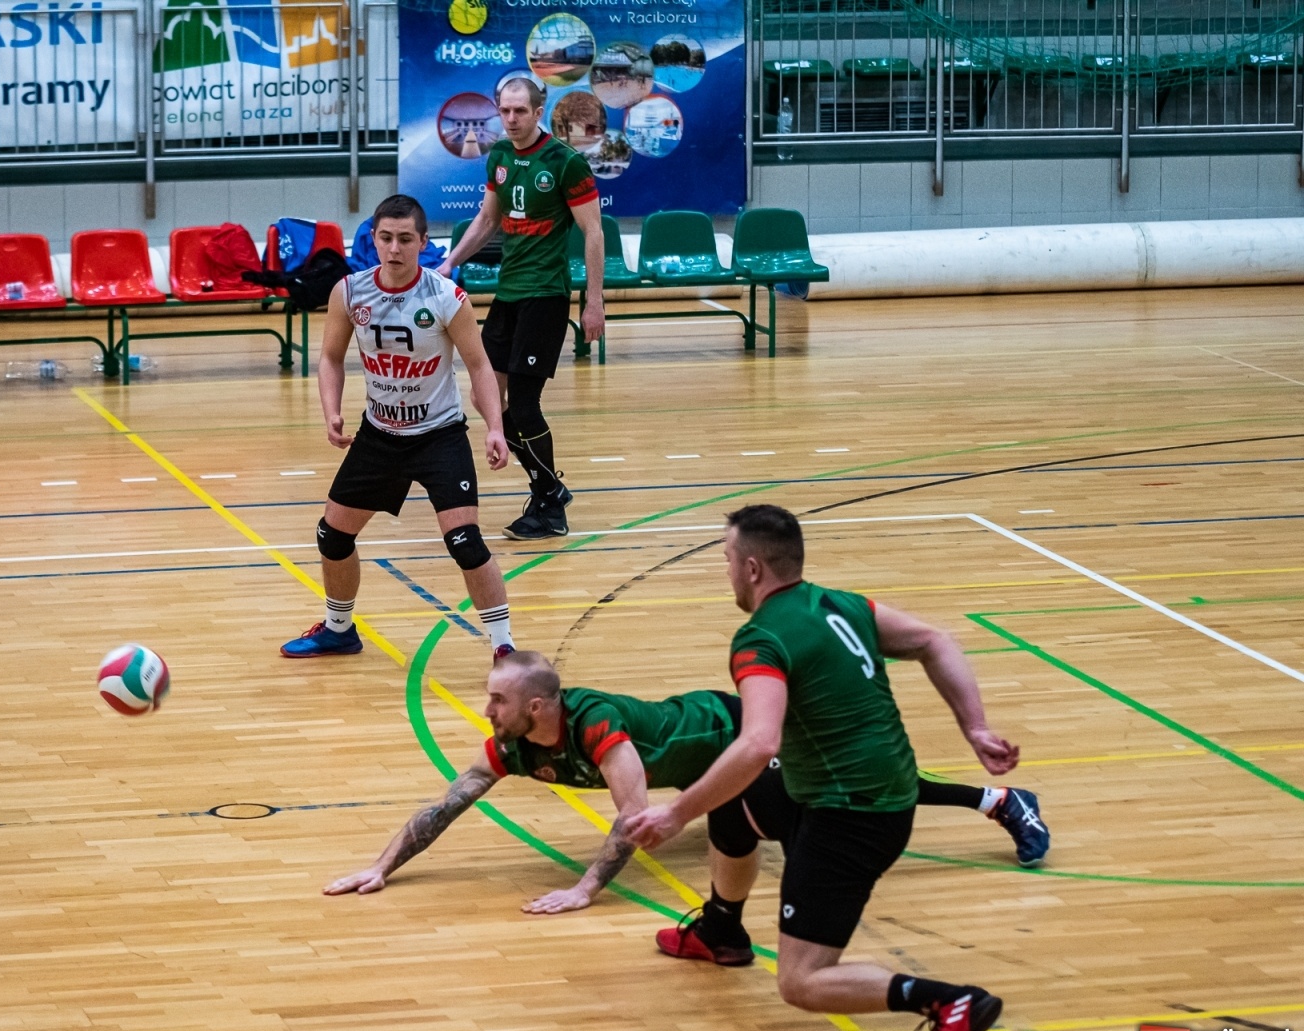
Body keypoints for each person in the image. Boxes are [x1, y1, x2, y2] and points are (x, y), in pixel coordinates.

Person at [625, 505, 1028, 1031]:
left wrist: (675, 814)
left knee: (801, 981)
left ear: (752, 570)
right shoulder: (841, 605)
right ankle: (720, 928)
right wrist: (975, 727)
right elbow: (935, 639)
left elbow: (758, 742)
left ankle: (948, 1003)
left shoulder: (760, 639)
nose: (726, 572)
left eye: (726, 561)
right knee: (737, 802)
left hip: (848, 817)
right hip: (874, 787)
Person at [324, 650, 1047, 916]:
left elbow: (635, 818)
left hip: (733, 732)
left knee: (849, 791)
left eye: (498, 701)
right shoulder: (518, 744)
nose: (488, 711)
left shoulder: (598, 728)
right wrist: (381, 867)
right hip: (712, 763)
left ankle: (1001, 798)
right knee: (813, 818)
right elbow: (446, 803)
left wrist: (584, 890)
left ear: (538, 708)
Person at [279, 195, 515, 660]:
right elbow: (329, 358)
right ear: (373, 239)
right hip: (379, 435)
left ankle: (504, 647)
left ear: (423, 243)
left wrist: (494, 426)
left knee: (465, 541)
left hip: (439, 435)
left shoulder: (446, 297)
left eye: (405, 239)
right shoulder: (350, 292)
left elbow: (480, 366)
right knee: (332, 535)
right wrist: (331, 410)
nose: (394, 248)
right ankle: (339, 628)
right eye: (385, 238)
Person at [439, 77, 604, 541]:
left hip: (546, 295)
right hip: (509, 294)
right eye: (505, 111)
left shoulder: (565, 162)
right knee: (485, 396)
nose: (511, 119)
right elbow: (489, 219)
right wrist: (451, 261)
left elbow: (593, 233)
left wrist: (594, 301)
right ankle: (550, 490)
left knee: (525, 404)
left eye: (520, 111)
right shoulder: (499, 157)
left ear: (538, 111)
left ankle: (550, 504)